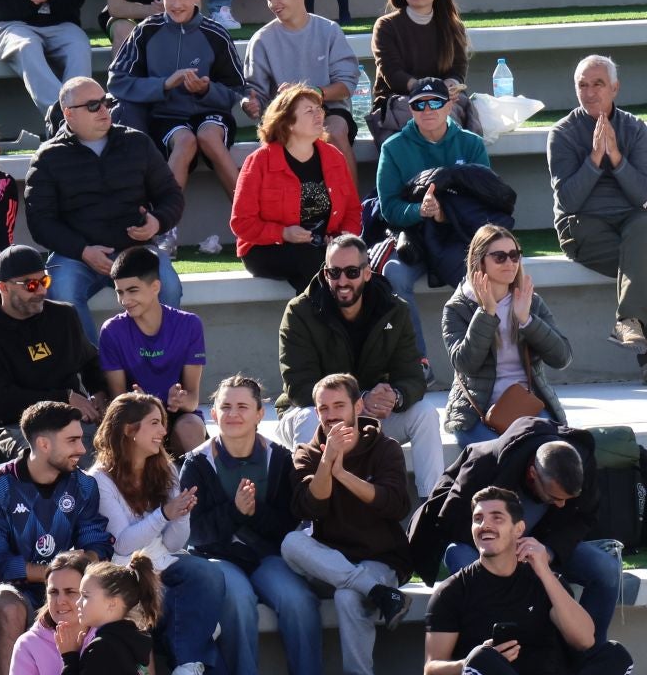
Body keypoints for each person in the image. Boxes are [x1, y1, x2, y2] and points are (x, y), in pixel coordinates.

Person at [424, 490, 633, 675]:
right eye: (478, 519)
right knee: (480, 660)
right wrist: (473, 661)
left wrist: (544, 570)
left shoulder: (543, 579)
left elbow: (584, 639)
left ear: (519, 529)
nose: (484, 525)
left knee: (616, 655)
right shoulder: (453, 591)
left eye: (496, 517)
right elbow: (432, 672)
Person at [181, 374, 321, 675]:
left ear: (260, 413)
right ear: (213, 414)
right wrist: (234, 512)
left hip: (268, 556)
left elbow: (290, 524)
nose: (233, 414)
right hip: (219, 559)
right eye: (225, 407)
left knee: (297, 599)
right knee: (237, 600)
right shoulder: (197, 463)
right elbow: (195, 531)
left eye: (243, 406)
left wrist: (254, 511)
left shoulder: (280, 459)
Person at [410, 417, 621, 644]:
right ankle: (492, 649)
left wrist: (549, 551)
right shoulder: (484, 463)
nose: (560, 505)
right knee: (460, 557)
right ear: (532, 474)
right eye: (553, 497)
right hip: (484, 550)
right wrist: (504, 550)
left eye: (567, 500)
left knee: (606, 569)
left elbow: (584, 517)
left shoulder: (581, 464)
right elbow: (453, 522)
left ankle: (591, 655)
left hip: (542, 547)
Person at [284, 372, 413, 675]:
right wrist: (328, 463)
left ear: (358, 406)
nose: (330, 414)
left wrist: (343, 474)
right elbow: (310, 508)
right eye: (323, 408)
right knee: (291, 542)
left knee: (347, 596)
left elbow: (395, 505)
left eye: (339, 405)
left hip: (380, 558)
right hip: (331, 562)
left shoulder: (384, 448)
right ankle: (380, 594)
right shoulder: (307, 453)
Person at [0, 403, 111, 675]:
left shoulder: (84, 485)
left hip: (69, 581)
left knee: (119, 603)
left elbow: (98, 541)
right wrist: (53, 573)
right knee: (10, 610)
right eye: (73, 440)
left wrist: (85, 561)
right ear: (44, 444)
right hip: (8, 584)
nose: (83, 448)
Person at [276, 234, 442, 500]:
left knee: (425, 414)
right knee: (309, 417)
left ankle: (432, 510)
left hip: (367, 417)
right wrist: (360, 400)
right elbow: (299, 386)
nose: (342, 281)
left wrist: (395, 397)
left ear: (367, 273)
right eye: (334, 272)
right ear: (325, 272)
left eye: (351, 272)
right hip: (314, 413)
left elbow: (412, 375)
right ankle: (312, 514)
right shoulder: (300, 312)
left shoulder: (394, 310)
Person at [90, 391, 228, 675]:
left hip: (163, 563)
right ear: (128, 430)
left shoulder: (163, 468)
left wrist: (182, 512)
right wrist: (164, 513)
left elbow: (174, 544)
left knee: (207, 573)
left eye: (163, 423)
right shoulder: (100, 479)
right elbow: (122, 543)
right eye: (154, 423)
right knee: (173, 621)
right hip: (126, 574)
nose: (164, 432)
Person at [25, 76, 185, 317]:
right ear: (68, 114)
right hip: (75, 255)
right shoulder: (48, 158)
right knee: (61, 294)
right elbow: (40, 223)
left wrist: (157, 221)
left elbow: (171, 195)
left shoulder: (137, 143)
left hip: (135, 250)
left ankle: (152, 354)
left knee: (168, 287)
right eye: (92, 106)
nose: (103, 110)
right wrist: (82, 250)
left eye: (106, 102)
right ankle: (92, 357)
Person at [375, 76, 494, 354]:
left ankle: (478, 360)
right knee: (393, 274)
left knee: (481, 278)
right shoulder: (393, 147)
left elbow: (487, 200)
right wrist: (420, 211)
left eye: (435, 103)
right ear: (411, 109)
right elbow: (388, 208)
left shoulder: (471, 144)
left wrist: (445, 214)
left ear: (448, 105)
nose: (427, 110)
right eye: (419, 105)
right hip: (412, 238)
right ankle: (418, 364)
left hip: (458, 237)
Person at [107, 0, 244, 195]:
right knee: (186, 140)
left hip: (211, 113)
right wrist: (164, 85)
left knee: (208, 135)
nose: (177, 4)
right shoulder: (145, 31)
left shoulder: (216, 34)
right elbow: (117, 80)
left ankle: (249, 217)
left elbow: (237, 89)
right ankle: (165, 223)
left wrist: (205, 90)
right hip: (166, 116)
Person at [549, 54, 647, 374]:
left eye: (598, 84)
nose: (589, 92)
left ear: (615, 88)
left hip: (631, 224)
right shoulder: (562, 133)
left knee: (643, 228)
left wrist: (616, 158)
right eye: (582, 85)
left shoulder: (634, 128)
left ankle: (628, 321)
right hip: (582, 226)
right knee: (642, 259)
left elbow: (643, 195)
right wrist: (594, 159)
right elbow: (569, 201)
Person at [0, 245, 105, 448]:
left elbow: (91, 361)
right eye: (30, 285)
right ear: (4, 287)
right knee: (47, 459)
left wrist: (99, 392)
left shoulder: (63, 316)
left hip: (74, 419)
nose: (41, 291)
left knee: (118, 450)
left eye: (44, 281)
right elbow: (1, 402)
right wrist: (63, 398)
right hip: (16, 426)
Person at [442, 226, 573, 448]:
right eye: (500, 257)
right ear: (480, 261)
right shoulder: (458, 308)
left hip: (525, 404)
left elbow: (562, 358)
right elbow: (465, 364)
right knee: (497, 456)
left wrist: (527, 321)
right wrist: (486, 313)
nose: (510, 263)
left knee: (549, 453)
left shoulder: (530, 301)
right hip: (476, 410)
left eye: (514, 255)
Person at [232, 83, 361, 292]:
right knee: (313, 260)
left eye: (319, 109)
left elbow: (353, 210)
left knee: (336, 265)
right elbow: (242, 223)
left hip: (323, 248)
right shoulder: (259, 161)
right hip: (267, 248)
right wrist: (283, 233)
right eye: (309, 111)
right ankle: (345, 320)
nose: (319, 114)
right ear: (288, 122)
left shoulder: (334, 157)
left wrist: (340, 237)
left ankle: (315, 321)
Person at [242, 0, 360, 167]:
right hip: (284, 116)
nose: (273, 4)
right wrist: (250, 104)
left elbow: (345, 87)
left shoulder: (329, 31)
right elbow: (255, 94)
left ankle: (350, 200)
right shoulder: (261, 40)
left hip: (328, 110)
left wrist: (309, 93)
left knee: (335, 131)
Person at [97, 246, 207, 456]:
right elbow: (118, 402)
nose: (124, 300)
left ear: (155, 286)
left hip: (178, 417)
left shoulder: (190, 324)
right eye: (119, 292)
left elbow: (193, 400)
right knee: (137, 431)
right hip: (135, 418)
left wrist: (180, 400)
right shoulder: (111, 330)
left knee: (190, 428)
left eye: (132, 290)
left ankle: (198, 486)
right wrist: (136, 404)